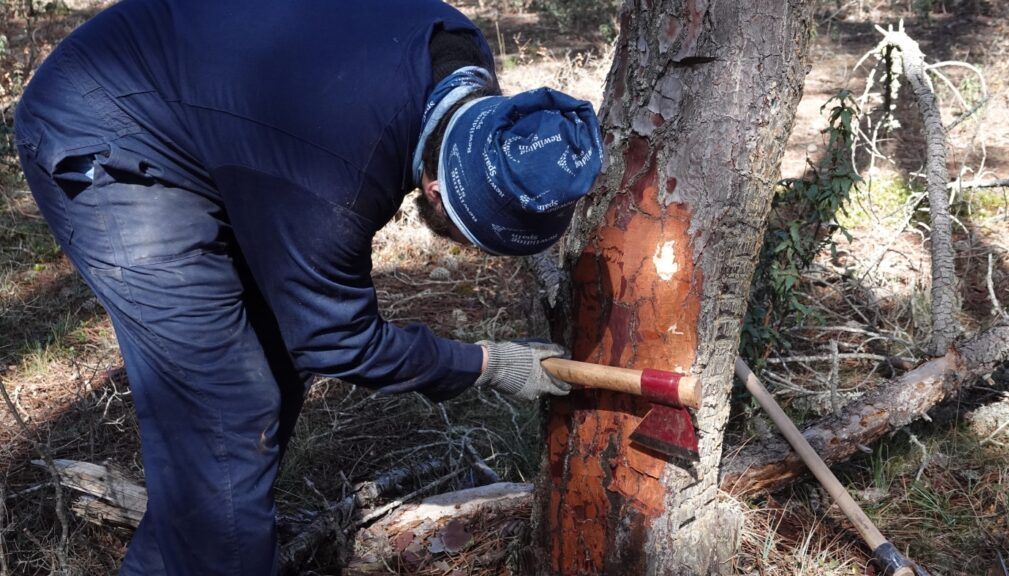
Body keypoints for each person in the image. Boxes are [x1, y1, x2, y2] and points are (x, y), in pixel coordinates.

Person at [13, 0, 603, 574]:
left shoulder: (458, 51)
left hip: (211, 116)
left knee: (257, 398)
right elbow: (335, 339)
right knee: (230, 410)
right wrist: (484, 363)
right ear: (434, 188)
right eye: (469, 234)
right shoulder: (332, 182)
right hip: (107, 128)